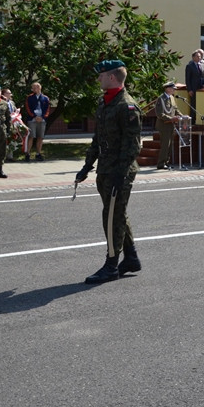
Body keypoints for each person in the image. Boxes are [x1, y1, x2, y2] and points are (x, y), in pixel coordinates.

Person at [75, 60, 143, 284]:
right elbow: (98, 138)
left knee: (111, 216)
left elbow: (133, 146)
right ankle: (131, 258)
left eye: (101, 75)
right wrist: (87, 166)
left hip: (119, 171)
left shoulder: (127, 106)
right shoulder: (104, 102)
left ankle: (111, 265)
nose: (98, 79)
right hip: (105, 168)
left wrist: (120, 174)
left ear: (112, 77)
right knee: (117, 213)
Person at [154, 81, 180, 169]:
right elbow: (160, 114)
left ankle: (166, 162)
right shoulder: (161, 99)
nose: (174, 90)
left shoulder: (172, 98)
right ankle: (161, 164)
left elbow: (175, 110)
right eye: (173, 89)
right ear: (167, 89)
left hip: (171, 125)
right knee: (165, 145)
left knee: (169, 145)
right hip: (164, 125)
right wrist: (171, 119)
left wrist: (182, 116)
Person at [24, 81, 51, 162]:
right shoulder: (29, 97)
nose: (33, 89)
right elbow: (28, 108)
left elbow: (47, 109)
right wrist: (34, 116)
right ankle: (27, 154)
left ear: (39, 88)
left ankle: (38, 153)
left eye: (35, 87)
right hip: (32, 120)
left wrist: (42, 117)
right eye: (33, 88)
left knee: (40, 137)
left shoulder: (45, 98)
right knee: (31, 136)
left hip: (42, 120)